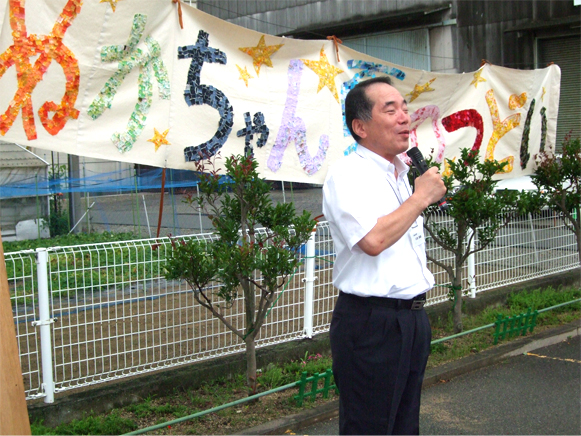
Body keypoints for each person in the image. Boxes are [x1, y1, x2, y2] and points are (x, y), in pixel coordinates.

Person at [322, 76, 447, 435]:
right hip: (371, 325)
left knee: (405, 426)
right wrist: (420, 197)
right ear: (360, 126)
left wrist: (414, 192)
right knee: (370, 428)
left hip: (412, 319)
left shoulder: (401, 174)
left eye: (405, 109)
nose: (404, 118)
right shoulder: (348, 175)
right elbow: (372, 240)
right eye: (390, 110)